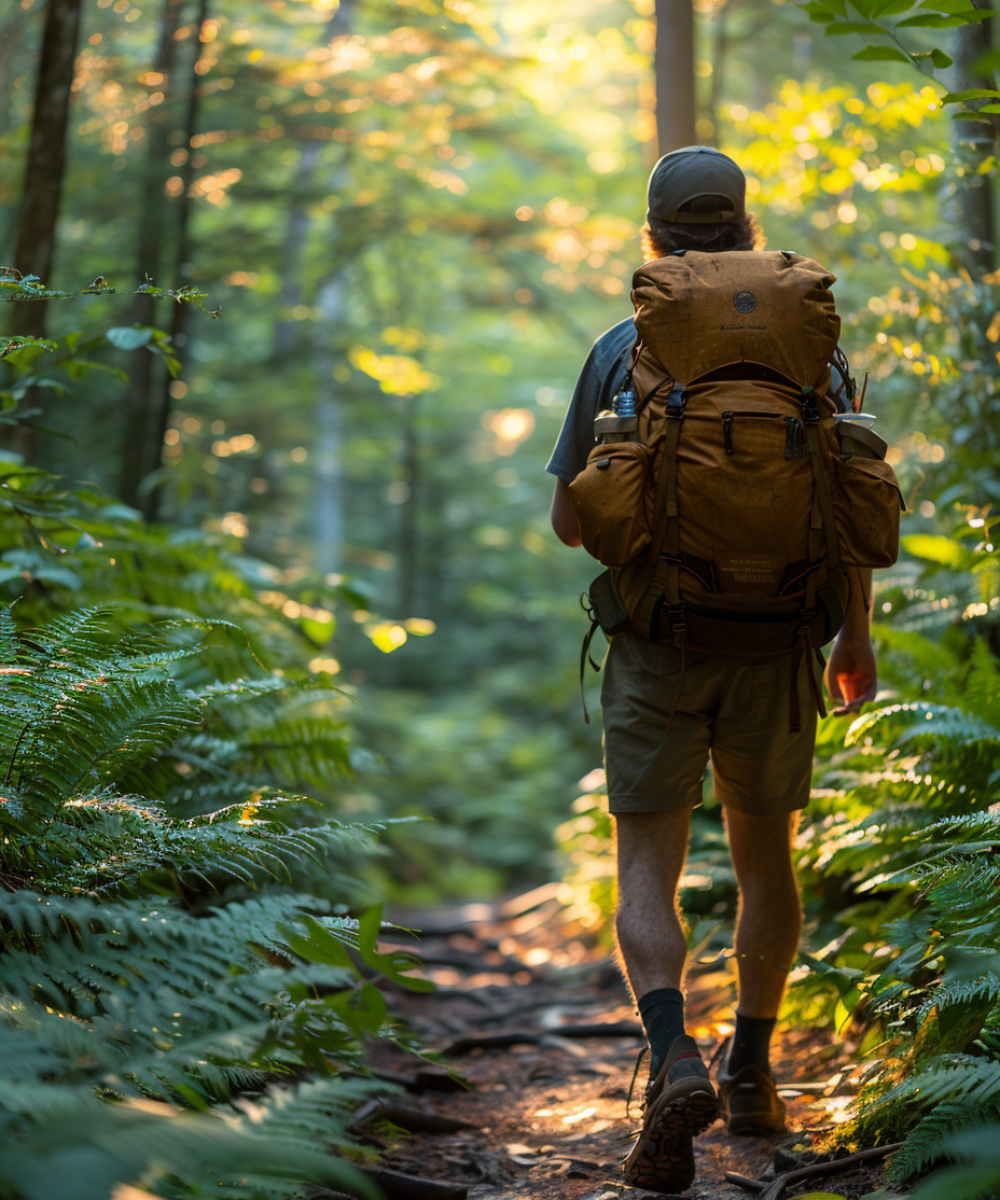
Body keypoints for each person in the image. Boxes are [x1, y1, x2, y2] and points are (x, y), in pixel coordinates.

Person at [546, 146, 878, 1194]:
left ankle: (668, 1052)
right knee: (762, 859)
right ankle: (751, 1068)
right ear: (742, 227)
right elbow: (849, 512)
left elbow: (571, 524)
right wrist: (853, 640)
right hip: (780, 642)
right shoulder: (811, 351)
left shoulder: (621, 347)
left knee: (645, 858)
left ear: (652, 235)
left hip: (658, 641)